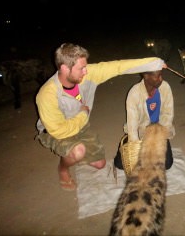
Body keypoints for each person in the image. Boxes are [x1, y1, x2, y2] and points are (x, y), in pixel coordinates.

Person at [35, 43, 166, 191]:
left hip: (81, 126)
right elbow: (59, 131)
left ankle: (75, 153)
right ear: (65, 68)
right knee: (78, 151)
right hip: (55, 132)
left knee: (100, 164)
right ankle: (63, 169)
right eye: (81, 68)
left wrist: (155, 62)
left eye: (86, 66)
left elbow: (118, 66)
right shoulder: (47, 94)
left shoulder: (87, 74)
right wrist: (83, 114)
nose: (86, 72)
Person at [114, 69, 175, 170]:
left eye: (161, 75)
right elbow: (132, 125)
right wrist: (135, 146)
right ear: (146, 76)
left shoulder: (165, 87)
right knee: (120, 164)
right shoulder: (134, 93)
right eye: (157, 76)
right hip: (141, 131)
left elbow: (168, 116)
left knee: (167, 164)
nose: (161, 79)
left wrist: (159, 138)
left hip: (158, 130)